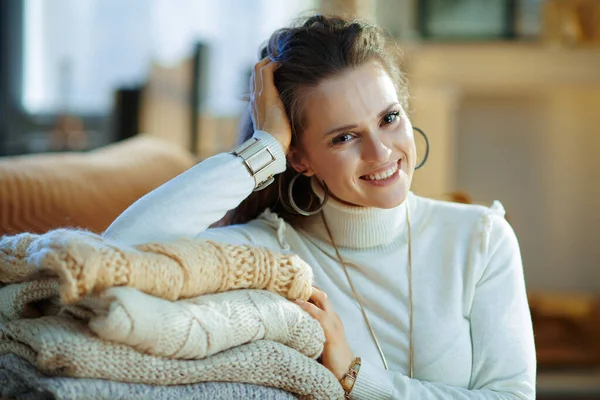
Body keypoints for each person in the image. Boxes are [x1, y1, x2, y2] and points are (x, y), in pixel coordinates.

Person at [104, 15, 536, 399]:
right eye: (344, 137)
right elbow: (115, 255)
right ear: (299, 158)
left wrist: (355, 375)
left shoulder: (481, 239)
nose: (381, 152)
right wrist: (264, 148)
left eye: (389, 118)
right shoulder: (271, 255)